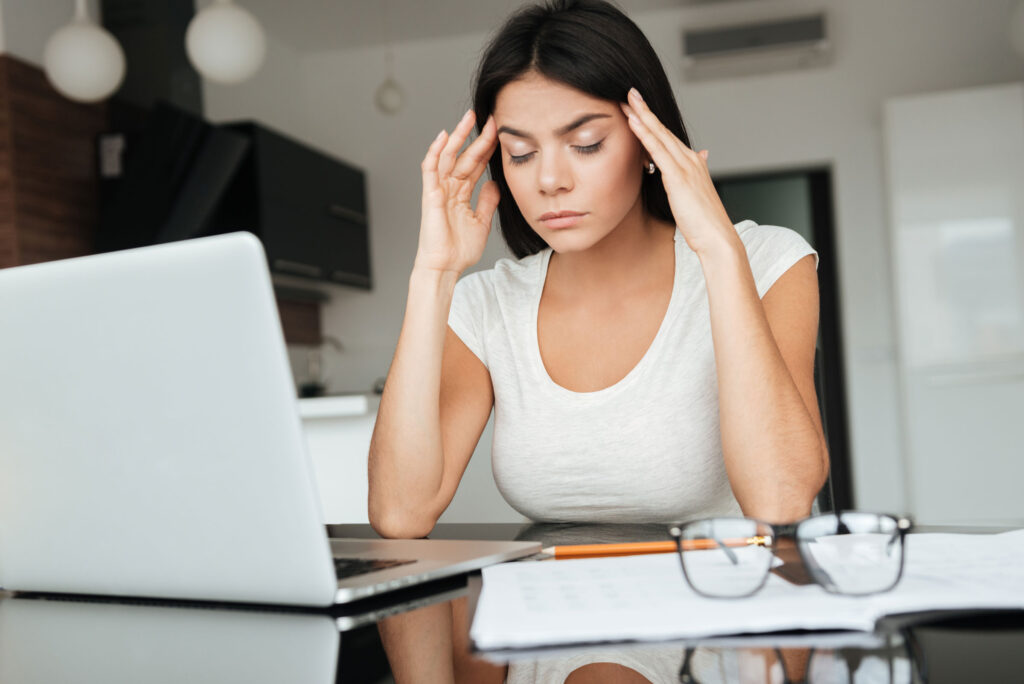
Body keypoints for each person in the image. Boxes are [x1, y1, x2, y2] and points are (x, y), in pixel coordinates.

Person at [368, 0, 828, 540]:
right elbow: (400, 514)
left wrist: (719, 251)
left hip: (727, 611)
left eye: (585, 144)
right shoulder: (488, 306)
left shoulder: (767, 261)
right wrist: (434, 274)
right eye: (520, 154)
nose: (550, 180)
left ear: (647, 140)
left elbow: (781, 501)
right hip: (557, 614)